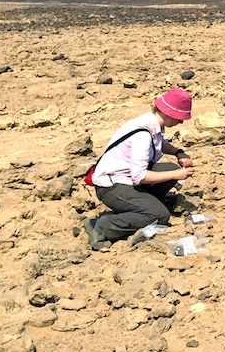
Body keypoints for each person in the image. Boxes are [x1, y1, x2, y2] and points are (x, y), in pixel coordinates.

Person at [82, 88, 195, 250]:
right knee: (160, 215)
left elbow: (161, 144)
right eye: (180, 118)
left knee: (169, 169)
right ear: (170, 114)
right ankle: (102, 226)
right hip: (112, 186)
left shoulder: (151, 123)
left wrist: (178, 153)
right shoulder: (141, 134)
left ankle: (144, 206)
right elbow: (140, 176)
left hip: (125, 177)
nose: (181, 122)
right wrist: (177, 173)